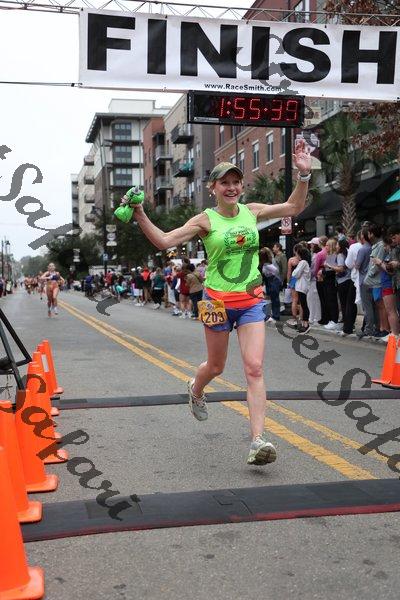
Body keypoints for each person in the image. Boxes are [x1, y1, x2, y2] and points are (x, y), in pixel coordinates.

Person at [117, 141, 311, 465]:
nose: (231, 187)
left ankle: (257, 440)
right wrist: (139, 214)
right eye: (224, 183)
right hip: (216, 302)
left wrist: (304, 175)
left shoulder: (252, 211)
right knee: (216, 367)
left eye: (236, 182)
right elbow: (164, 240)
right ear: (213, 189)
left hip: (250, 300)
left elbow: (293, 207)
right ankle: (196, 388)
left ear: (241, 186)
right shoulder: (204, 220)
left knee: (254, 368)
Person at [333, 239, 357, 336]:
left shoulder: (340, 255)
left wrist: (330, 266)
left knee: (344, 304)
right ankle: (351, 324)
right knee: (350, 303)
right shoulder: (347, 254)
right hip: (349, 280)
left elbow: (341, 268)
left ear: (340, 246)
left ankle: (346, 325)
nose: (336, 246)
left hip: (342, 281)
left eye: (337, 245)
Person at [292, 244, 311, 333]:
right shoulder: (305, 262)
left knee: (304, 305)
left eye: (297, 254)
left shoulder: (303, 262)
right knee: (303, 305)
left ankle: (306, 324)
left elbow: (295, 274)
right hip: (302, 286)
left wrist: (295, 271)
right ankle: (304, 324)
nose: (296, 255)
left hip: (302, 286)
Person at [321, 238, 340, 330]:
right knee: (328, 300)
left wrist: (324, 270)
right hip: (327, 281)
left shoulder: (333, 256)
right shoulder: (329, 256)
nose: (326, 247)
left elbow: (331, 271)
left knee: (332, 301)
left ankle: (334, 320)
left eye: (328, 245)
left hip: (331, 281)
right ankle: (331, 319)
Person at [259, 247, 281, 323]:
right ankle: (274, 315)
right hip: (271, 281)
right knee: (273, 299)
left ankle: (275, 315)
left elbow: (276, 270)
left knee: (274, 299)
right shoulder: (267, 263)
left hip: (272, 281)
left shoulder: (267, 264)